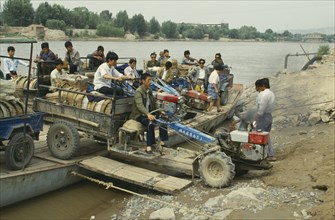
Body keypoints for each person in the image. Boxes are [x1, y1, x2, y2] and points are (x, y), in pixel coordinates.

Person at [129, 73, 168, 153]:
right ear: (143, 81)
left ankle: (162, 141)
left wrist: (160, 111)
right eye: (148, 80)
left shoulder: (149, 90)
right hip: (139, 115)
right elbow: (140, 105)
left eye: (151, 80)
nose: (150, 82)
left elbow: (154, 103)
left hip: (149, 113)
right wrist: (148, 114)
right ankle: (149, 146)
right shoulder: (138, 92)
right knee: (150, 123)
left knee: (163, 119)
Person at [256, 78, 276, 161]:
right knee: (266, 135)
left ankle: (266, 155)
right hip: (269, 116)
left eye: (257, 87)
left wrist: (257, 116)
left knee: (258, 134)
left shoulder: (264, 94)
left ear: (263, 86)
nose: (256, 89)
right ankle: (268, 154)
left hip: (263, 117)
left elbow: (262, 107)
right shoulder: (272, 94)